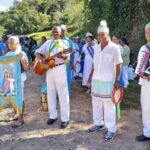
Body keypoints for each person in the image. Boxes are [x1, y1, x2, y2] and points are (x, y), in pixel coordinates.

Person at [87, 20, 123, 141]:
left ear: (108, 34)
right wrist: (89, 78)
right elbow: (94, 65)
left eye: (103, 34)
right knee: (96, 102)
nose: (101, 36)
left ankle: (111, 129)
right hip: (96, 81)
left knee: (109, 105)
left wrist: (117, 80)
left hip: (108, 81)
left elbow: (119, 65)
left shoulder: (114, 48)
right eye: (99, 35)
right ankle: (98, 123)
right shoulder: (97, 47)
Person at [36, 26, 70, 129]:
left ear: (60, 33)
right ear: (52, 32)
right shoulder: (48, 43)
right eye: (54, 31)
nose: (55, 33)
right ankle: (53, 116)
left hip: (60, 69)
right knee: (50, 93)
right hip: (49, 70)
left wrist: (62, 56)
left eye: (57, 31)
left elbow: (67, 56)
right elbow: (37, 52)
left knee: (62, 94)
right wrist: (42, 60)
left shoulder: (65, 43)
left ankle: (65, 119)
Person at [6, 36, 29, 127]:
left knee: (20, 99)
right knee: (12, 98)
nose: (9, 44)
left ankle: (21, 119)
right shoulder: (8, 54)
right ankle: (16, 114)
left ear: (17, 43)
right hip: (10, 79)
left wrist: (21, 58)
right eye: (8, 43)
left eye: (11, 42)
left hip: (20, 78)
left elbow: (27, 68)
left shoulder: (22, 53)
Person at [135, 22, 150, 142]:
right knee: (146, 107)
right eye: (147, 32)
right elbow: (140, 69)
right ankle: (147, 132)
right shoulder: (144, 49)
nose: (148, 34)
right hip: (146, 83)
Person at [60, 24, 75, 96]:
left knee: (67, 78)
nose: (62, 32)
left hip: (67, 63)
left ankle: (67, 93)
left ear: (66, 32)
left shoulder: (69, 41)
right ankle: (59, 94)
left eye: (64, 31)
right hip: (57, 63)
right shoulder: (55, 41)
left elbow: (72, 53)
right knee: (58, 79)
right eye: (61, 31)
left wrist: (72, 63)